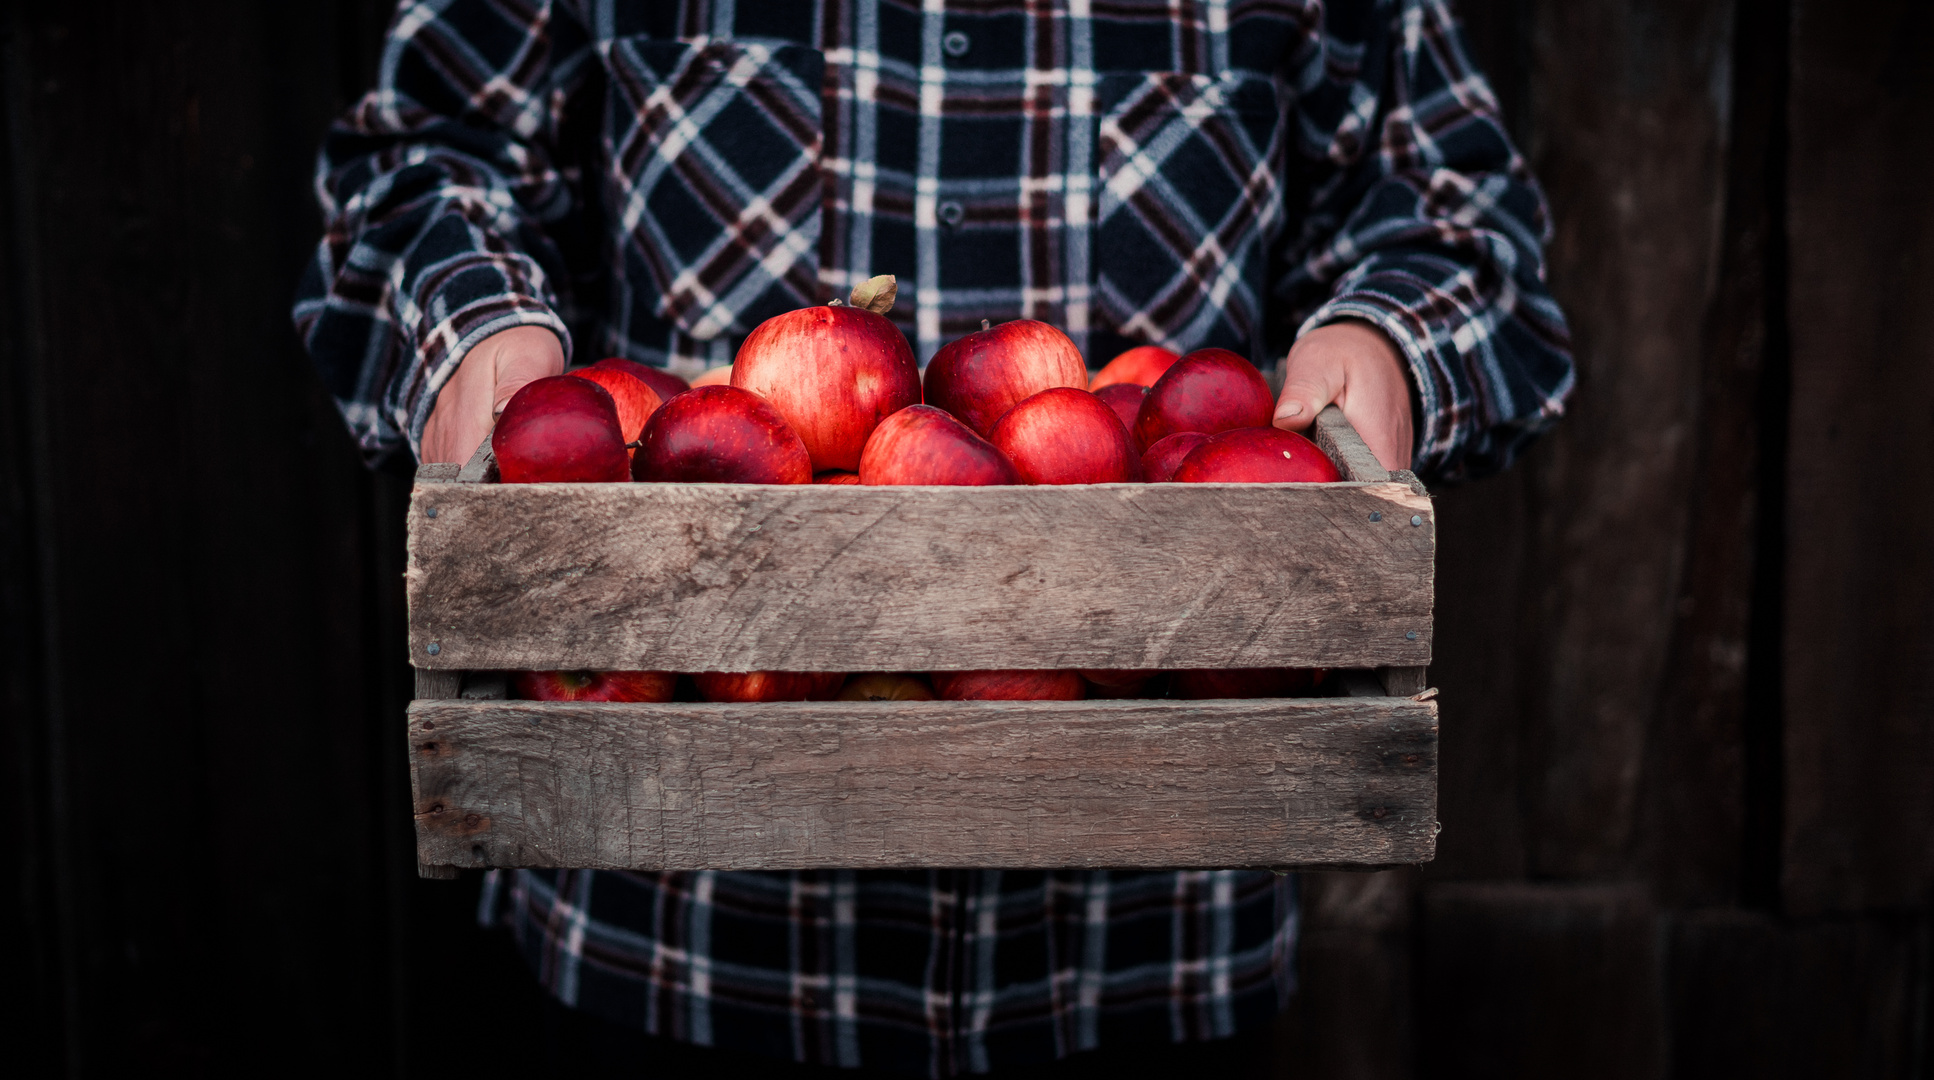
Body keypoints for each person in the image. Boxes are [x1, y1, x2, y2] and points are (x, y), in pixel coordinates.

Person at [297, 1, 1573, 1075]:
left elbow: (1453, 210)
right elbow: (429, 153)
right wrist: (479, 340)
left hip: (1153, 943)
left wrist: (1392, 339)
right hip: (674, 938)